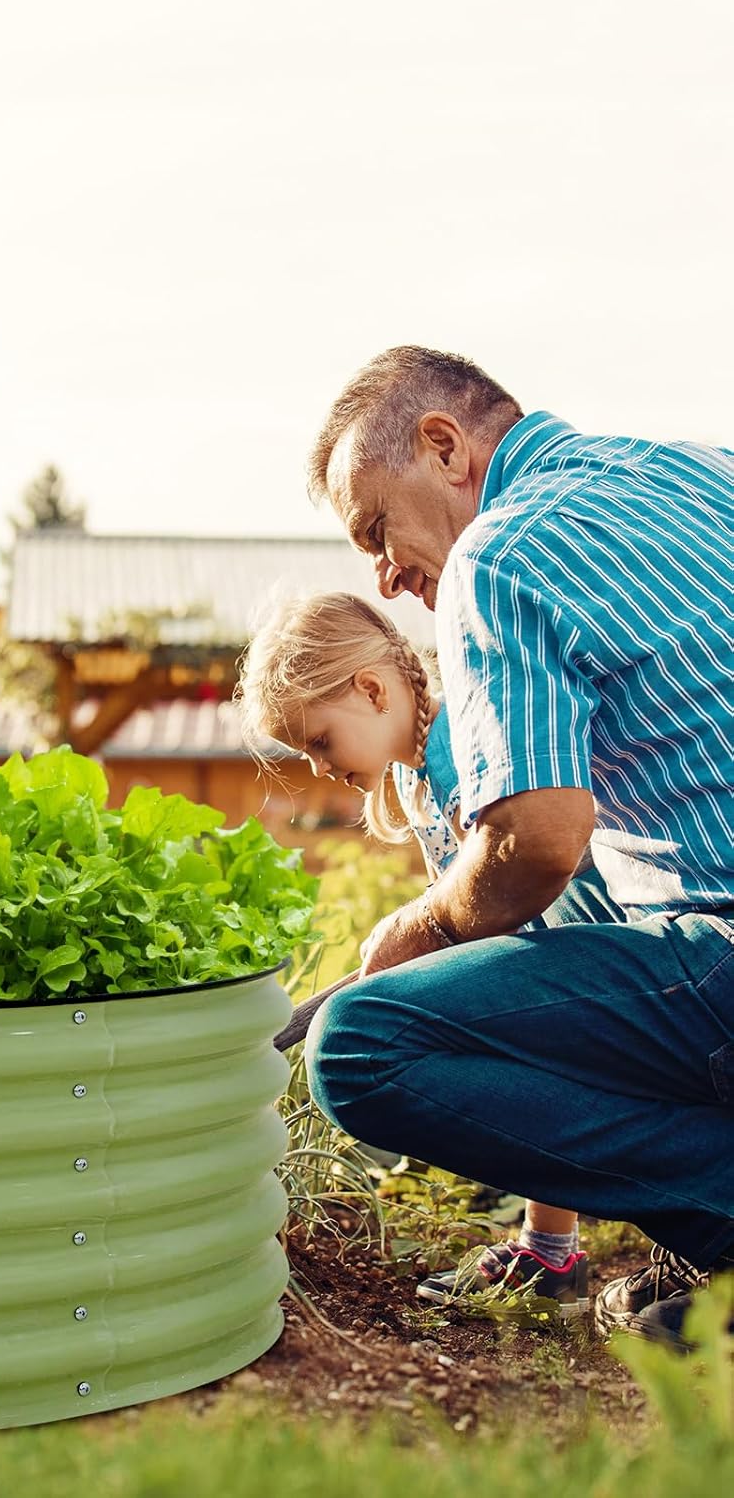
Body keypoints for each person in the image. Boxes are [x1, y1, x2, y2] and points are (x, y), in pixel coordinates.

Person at [299, 346, 734, 1348]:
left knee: (363, 1043)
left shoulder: (502, 551)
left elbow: (536, 841)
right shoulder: (699, 471)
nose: (380, 571)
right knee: (589, 922)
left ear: (444, 446)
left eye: (375, 527)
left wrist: (424, 925)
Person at [241, 590, 591, 1319]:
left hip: (573, 955)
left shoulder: (461, 753)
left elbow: (515, 899)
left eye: (321, 743)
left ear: (371, 690)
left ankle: (564, 1243)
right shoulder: (414, 770)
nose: (321, 767)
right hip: (532, 960)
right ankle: (550, 1252)